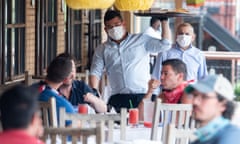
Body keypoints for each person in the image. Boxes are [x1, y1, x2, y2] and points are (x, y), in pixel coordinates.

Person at [90, 10, 172, 113]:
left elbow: (165, 44)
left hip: (143, 95)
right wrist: (94, 92)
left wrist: (164, 21)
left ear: (123, 24)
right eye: (110, 27)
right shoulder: (102, 49)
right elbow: (95, 72)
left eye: (117, 25)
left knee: (146, 127)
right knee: (116, 127)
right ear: (105, 30)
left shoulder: (141, 40)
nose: (114, 29)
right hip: (118, 98)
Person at [185, 75, 240, 144]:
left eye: (204, 97)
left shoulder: (232, 136)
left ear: (223, 105)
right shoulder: (198, 141)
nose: (195, 102)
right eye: (195, 95)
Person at [37, 56, 76, 124]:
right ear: (65, 79)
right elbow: (75, 125)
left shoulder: (28, 92)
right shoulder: (63, 104)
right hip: (55, 133)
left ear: (47, 70)